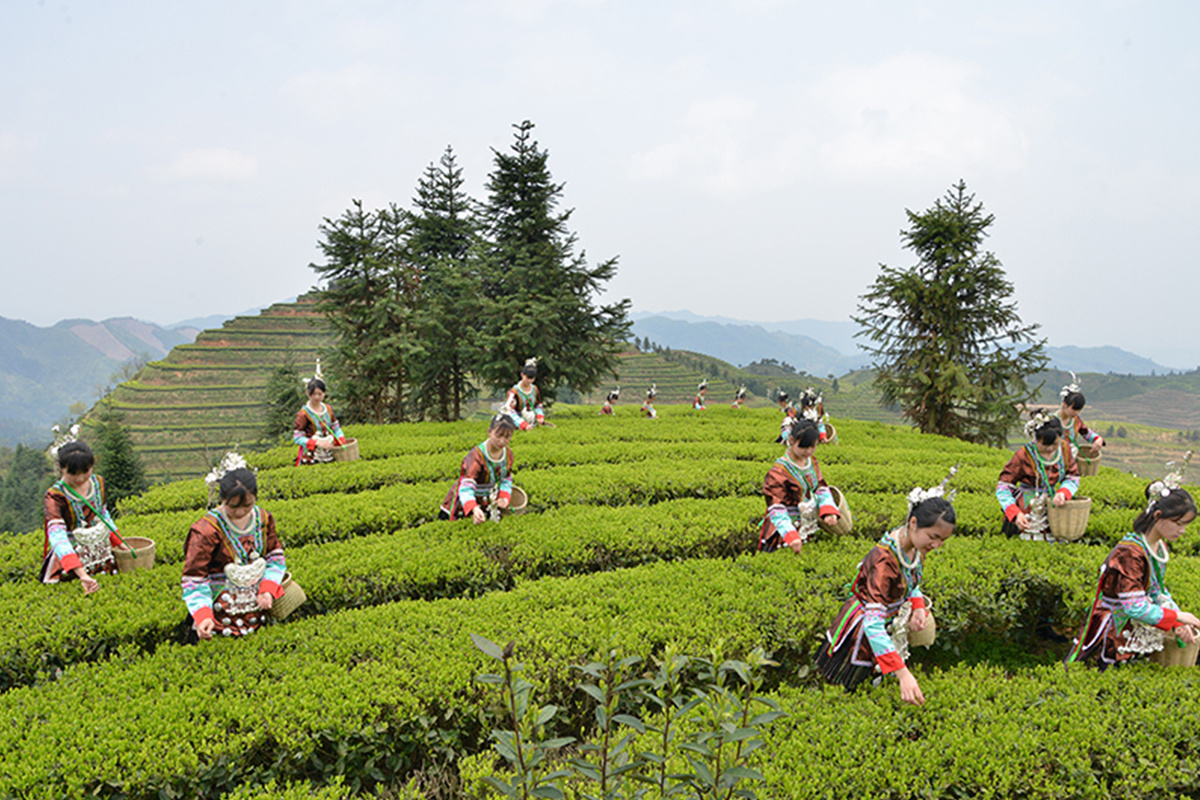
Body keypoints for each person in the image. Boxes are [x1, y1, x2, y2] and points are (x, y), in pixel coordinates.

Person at [816, 495, 956, 706]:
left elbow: (911, 583)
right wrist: (903, 674)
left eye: (943, 540)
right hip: (862, 634)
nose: (936, 545)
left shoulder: (914, 548)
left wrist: (918, 607)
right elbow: (872, 623)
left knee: (876, 689)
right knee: (851, 695)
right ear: (913, 523)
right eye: (933, 536)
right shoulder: (883, 561)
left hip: (886, 625)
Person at [1066, 484, 1200, 669]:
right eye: (1179, 523)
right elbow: (1134, 606)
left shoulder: (1158, 546)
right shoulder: (1130, 553)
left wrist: (1178, 622)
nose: (1183, 530)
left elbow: (1156, 591)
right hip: (1112, 630)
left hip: (1132, 628)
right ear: (1158, 516)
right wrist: (1177, 616)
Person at [182, 467, 287, 640]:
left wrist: (267, 589)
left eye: (247, 505)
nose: (239, 512)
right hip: (219, 616)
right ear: (222, 499)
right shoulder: (206, 530)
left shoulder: (263, 519)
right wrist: (203, 615)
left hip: (257, 609)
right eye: (232, 506)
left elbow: (274, 557)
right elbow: (194, 578)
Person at [40, 440, 123, 591]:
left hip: (100, 551)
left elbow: (103, 515)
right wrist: (81, 574)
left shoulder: (98, 483)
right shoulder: (55, 496)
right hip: (69, 557)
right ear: (61, 468)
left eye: (85, 472)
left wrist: (120, 542)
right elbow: (57, 535)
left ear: (92, 465)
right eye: (72, 473)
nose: (79, 479)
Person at [758, 418, 840, 553]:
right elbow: (776, 506)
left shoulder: (811, 461)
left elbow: (820, 487)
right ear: (791, 441)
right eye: (803, 446)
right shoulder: (778, 472)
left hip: (807, 524)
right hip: (784, 530)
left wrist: (828, 511)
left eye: (812, 446)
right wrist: (790, 535)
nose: (808, 451)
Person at [996, 414, 1080, 541]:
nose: (1050, 448)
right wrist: (1016, 513)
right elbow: (1003, 487)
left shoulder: (1064, 449)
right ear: (1036, 439)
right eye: (1045, 445)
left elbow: (1072, 476)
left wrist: (1063, 493)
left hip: (1053, 505)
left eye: (1055, 443)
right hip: (1027, 507)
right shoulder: (1023, 455)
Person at [440, 414, 518, 523]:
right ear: (489, 432)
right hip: (464, 501)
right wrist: (473, 508)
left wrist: (504, 497)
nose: (502, 441)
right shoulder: (476, 455)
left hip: (485, 500)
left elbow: (506, 478)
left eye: (507, 437)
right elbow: (466, 484)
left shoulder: (508, 454)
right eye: (498, 435)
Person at [293, 377, 346, 466]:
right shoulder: (303, 414)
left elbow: (335, 428)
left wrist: (341, 439)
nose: (316, 397)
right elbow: (297, 437)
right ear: (307, 393)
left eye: (319, 394)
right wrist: (317, 443)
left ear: (324, 393)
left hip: (329, 453)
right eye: (313, 394)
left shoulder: (328, 409)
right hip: (311, 457)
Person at [1056, 374, 1105, 464]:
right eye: (1074, 409)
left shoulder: (1075, 420)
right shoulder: (1052, 421)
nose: (1076, 413)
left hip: (1070, 460)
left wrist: (1097, 439)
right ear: (1064, 404)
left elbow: (1086, 432)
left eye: (1079, 410)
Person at [505, 358, 553, 429]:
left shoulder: (535, 389)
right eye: (527, 378)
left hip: (531, 424)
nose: (529, 381)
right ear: (522, 375)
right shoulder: (514, 392)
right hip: (516, 426)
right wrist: (522, 424)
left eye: (532, 378)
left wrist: (539, 416)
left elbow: (538, 404)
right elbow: (509, 411)